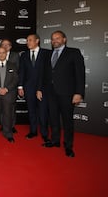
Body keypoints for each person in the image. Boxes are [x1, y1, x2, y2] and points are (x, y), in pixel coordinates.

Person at [37, 30, 85, 158]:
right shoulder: (49, 54)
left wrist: (79, 93)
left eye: (57, 38)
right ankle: (55, 141)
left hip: (67, 93)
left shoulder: (74, 53)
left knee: (67, 121)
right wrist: (40, 89)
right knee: (53, 118)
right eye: (53, 39)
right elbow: (45, 74)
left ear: (64, 39)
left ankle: (68, 146)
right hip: (50, 93)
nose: (54, 41)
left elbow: (80, 75)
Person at [18, 34, 49, 143]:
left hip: (43, 88)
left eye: (30, 40)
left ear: (37, 41)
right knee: (31, 111)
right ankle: (33, 131)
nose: (28, 42)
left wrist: (40, 88)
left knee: (43, 111)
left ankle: (44, 134)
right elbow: (21, 71)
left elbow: (47, 73)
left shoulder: (46, 53)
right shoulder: (24, 55)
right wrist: (20, 86)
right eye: (27, 40)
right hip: (28, 88)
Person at [0, 39, 19, 134]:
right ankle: (3, 125)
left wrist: (10, 87)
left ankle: (11, 126)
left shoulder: (15, 56)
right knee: (1, 107)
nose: (5, 46)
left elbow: (17, 72)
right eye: (3, 44)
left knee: (11, 108)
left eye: (7, 45)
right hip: (0, 87)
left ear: (10, 46)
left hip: (11, 87)